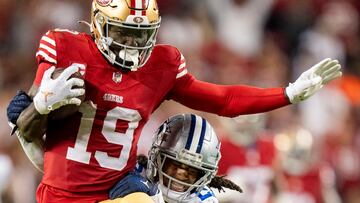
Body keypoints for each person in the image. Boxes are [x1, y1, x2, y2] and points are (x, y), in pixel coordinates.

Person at [6, 0, 341, 202]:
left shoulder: (160, 65)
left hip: (118, 189)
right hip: (62, 193)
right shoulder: (65, 49)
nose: (133, 45)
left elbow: (222, 99)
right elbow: (23, 122)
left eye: (141, 36)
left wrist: (286, 94)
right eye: (124, 34)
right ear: (98, 24)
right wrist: (41, 105)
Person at [108, 114, 242, 203]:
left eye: (192, 170)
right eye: (175, 164)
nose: (181, 174)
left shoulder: (204, 200)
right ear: (156, 157)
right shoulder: (131, 172)